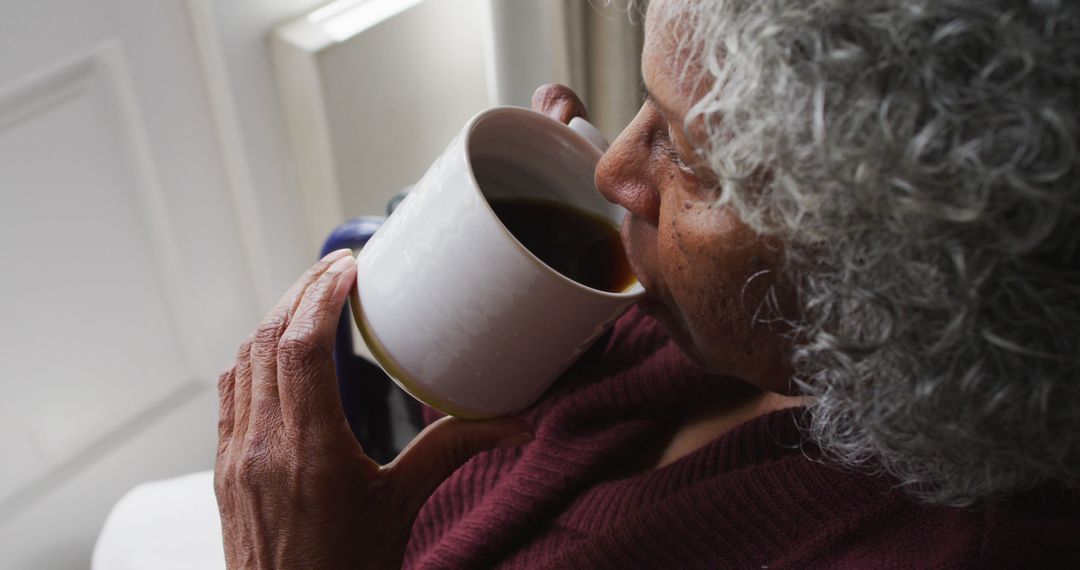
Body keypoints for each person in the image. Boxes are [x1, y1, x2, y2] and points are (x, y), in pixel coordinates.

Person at [213, 0, 1080, 567]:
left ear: (900, 265)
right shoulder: (734, 327)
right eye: (644, 102)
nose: (613, 167)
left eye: (686, 153)